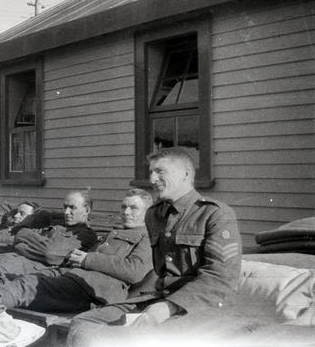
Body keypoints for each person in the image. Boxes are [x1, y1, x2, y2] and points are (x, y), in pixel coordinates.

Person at [68, 147, 242, 346]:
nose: (152, 180)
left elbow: (221, 278)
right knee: (84, 323)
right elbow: (159, 273)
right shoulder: (155, 215)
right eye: (151, 172)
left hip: (200, 308)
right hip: (158, 299)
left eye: (160, 171)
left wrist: (168, 307)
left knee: (133, 338)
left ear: (185, 173)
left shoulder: (215, 214)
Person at [0, 189, 153, 313]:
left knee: (24, 287)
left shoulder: (147, 238)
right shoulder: (117, 232)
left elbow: (134, 271)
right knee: (12, 279)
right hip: (71, 275)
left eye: (133, 208)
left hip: (94, 289)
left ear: (147, 213)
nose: (126, 212)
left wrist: (87, 259)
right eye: (123, 207)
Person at [0, 190, 98, 279]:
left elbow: (49, 253)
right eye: (65, 207)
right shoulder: (57, 228)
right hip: (7, 261)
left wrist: (27, 242)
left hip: (25, 272)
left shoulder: (85, 236)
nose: (66, 212)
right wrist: (32, 245)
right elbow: (19, 237)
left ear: (87, 210)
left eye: (72, 208)